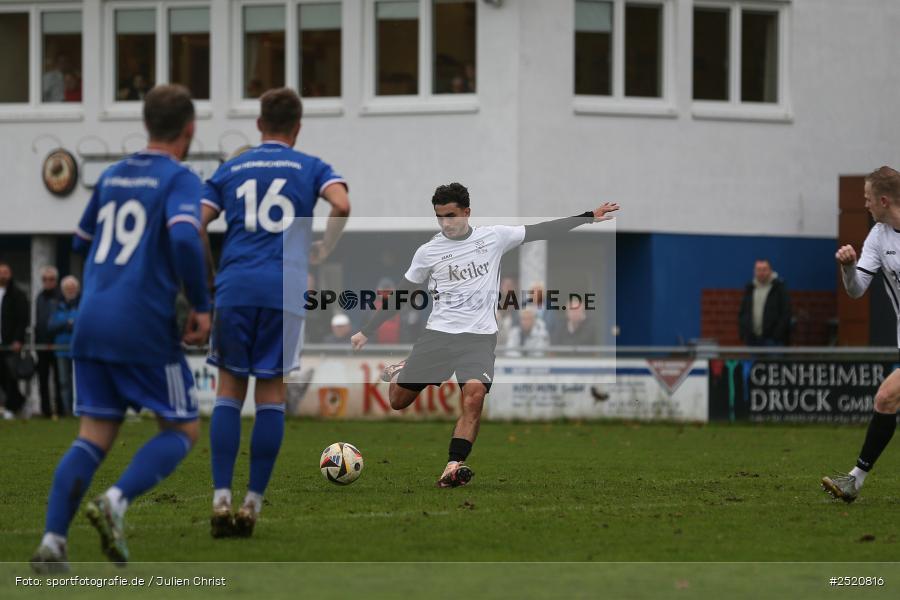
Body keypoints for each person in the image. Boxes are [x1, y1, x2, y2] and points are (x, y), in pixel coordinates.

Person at [30, 84, 211, 573]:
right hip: (142, 323)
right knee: (182, 427)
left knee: (92, 436)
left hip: (92, 319)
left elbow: (80, 242)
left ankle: (52, 542)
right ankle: (115, 501)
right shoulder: (179, 179)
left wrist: (99, 289)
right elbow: (185, 240)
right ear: (189, 130)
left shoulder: (111, 175)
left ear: (147, 124)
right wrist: (200, 304)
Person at [351, 183, 618, 487]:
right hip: (438, 336)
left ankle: (453, 466)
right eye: (439, 217)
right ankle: (403, 370)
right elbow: (401, 294)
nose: (445, 222)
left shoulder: (493, 237)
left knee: (474, 397)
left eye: (451, 215)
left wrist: (588, 217)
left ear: (467, 212)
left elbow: (541, 230)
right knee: (398, 401)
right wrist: (367, 330)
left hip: (478, 339)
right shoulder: (428, 251)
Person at [201, 87, 350, 538]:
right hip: (283, 290)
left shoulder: (232, 167)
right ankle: (252, 504)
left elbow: (195, 220)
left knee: (229, 390)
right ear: (297, 127)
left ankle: (220, 497)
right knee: (270, 394)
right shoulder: (310, 167)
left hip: (235, 286)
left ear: (260, 124)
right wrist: (324, 247)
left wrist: (211, 273)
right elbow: (341, 203)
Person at [822, 166, 900, 503]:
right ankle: (855, 481)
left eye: (868, 199)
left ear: (884, 200)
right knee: (886, 399)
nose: (865, 204)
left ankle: (855, 480)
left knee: (885, 398)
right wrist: (848, 266)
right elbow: (856, 290)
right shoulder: (878, 236)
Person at [738, 259, 792, 346]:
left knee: (773, 360)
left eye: (764, 269)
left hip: (773, 341)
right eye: (758, 270)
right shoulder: (750, 288)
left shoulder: (778, 288)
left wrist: (777, 334)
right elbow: (743, 313)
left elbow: (786, 313)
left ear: (770, 270)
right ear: (754, 271)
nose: (761, 272)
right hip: (753, 340)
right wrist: (745, 333)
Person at [0, 261, 30, 417]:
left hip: (10, 344)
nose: (3, 275)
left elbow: (22, 319)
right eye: (1, 272)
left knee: (10, 377)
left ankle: (12, 407)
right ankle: (20, 403)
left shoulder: (17, 294)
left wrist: (18, 339)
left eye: (5, 272)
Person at [48, 276, 80, 416]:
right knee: (63, 381)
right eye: (67, 288)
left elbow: (83, 322)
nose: (70, 290)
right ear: (63, 290)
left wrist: (68, 323)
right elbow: (51, 325)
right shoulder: (56, 305)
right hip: (61, 349)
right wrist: (68, 323)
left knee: (78, 382)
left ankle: (78, 409)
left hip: (78, 348)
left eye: (73, 288)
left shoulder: (82, 303)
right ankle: (67, 410)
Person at [35, 266, 63, 418]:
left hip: (56, 344)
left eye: (51, 279)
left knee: (59, 379)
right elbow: (39, 321)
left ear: (56, 281)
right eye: (45, 279)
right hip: (41, 345)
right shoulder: (39, 297)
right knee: (42, 379)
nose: (47, 282)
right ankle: (45, 410)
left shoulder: (60, 297)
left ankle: (60, 410)